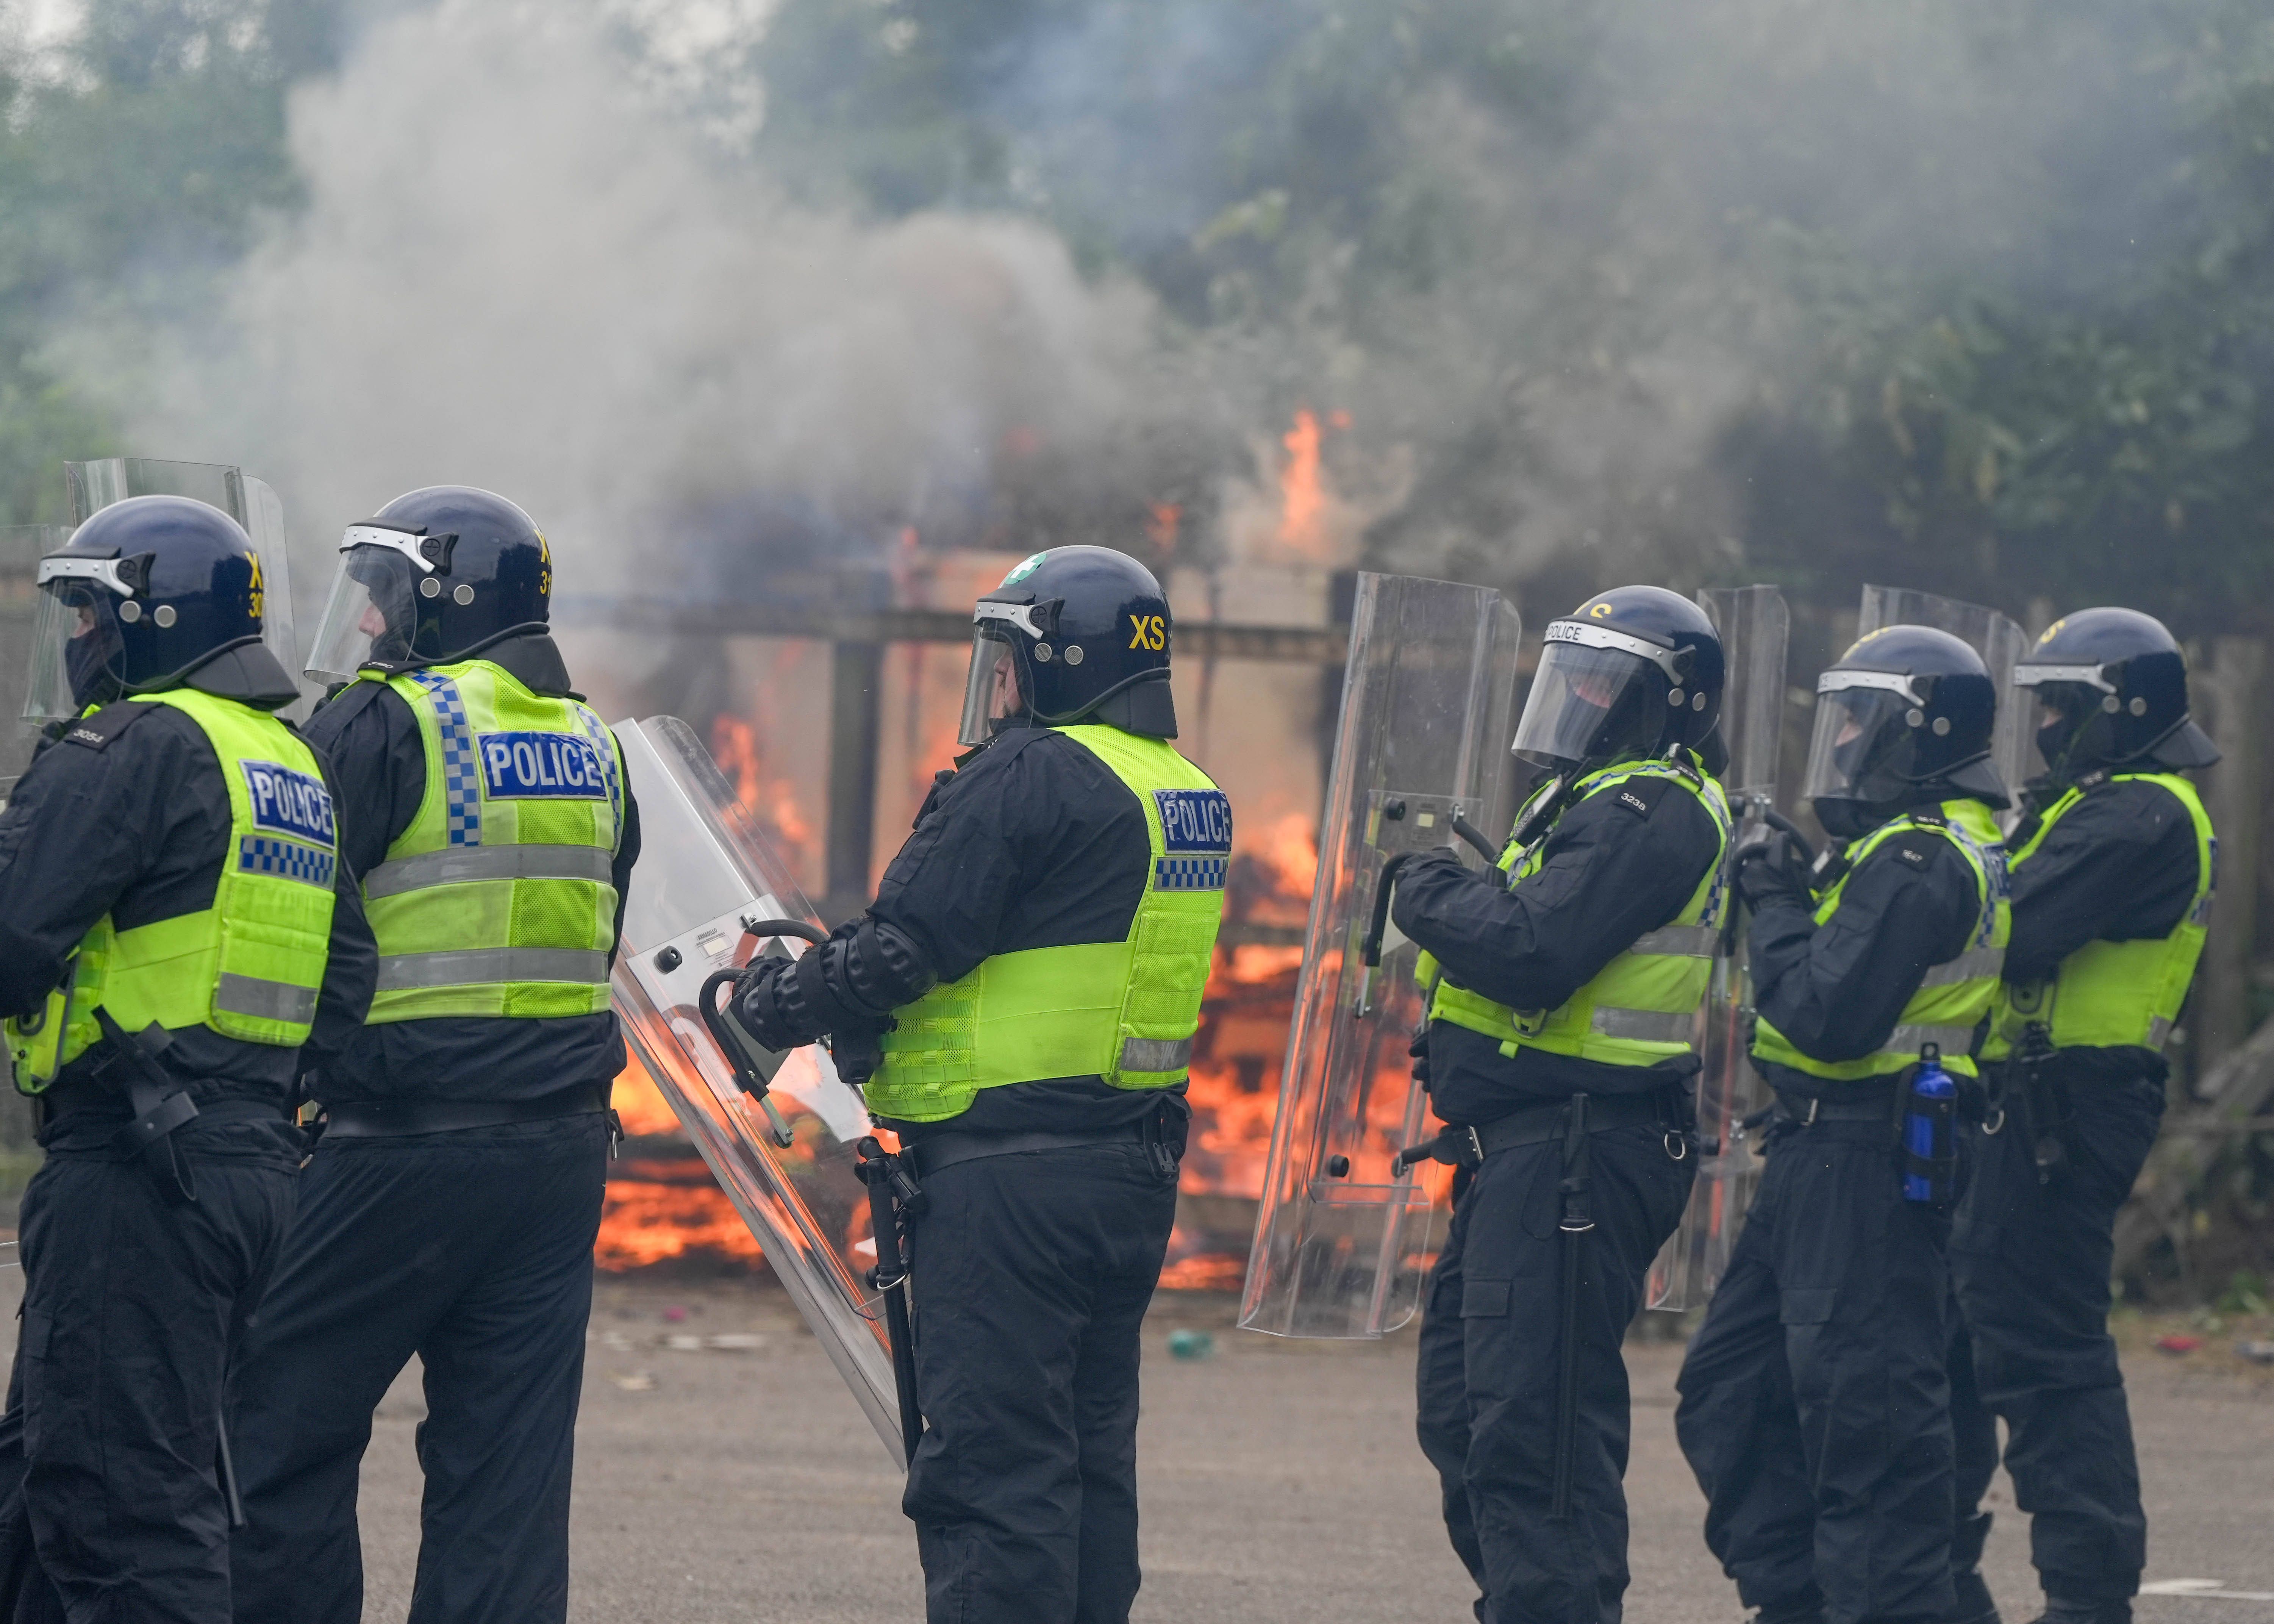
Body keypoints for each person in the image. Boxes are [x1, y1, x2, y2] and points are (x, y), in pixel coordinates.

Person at [724, 545, 1228, 1624]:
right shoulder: (1183, 792)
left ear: (1057, 662)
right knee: (1088, 1469)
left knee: (993, 1477)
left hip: (1005, 1189)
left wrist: (771, 1003)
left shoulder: (1031, 772)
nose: (997, 686)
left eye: (1007, 660)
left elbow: (905, 950)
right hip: (1124, 1171)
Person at [226, 487, 640, 1624]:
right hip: (554, 1163)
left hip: (392, 1149)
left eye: (385, 601)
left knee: (272, 1432)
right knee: (505, 1478)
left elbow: (289, 905)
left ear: (445, 603)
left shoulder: (385, 722)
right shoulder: (595, 747)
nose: (367, 628)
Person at [0, 495, 373, 1621]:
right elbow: (347, 979)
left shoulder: (132, 745)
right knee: (41, 1487)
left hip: (135, 1170)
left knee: (124, 1514)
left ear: (148, 621)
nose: (77, 642)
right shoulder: (288, 760)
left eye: (89, 614)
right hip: (244, 1171)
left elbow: (17, 944)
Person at [1388, 585, 1730, 1624]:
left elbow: (1535, 952)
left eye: (1601, 679)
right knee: (1470, 1420)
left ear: (1664, 700)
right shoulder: (1593, 800)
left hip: (1576, 1158)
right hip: (1524, 1157)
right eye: (1566, 673)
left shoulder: (1651, 807)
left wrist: (1423, 888)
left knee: (1536, 1446)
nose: (1575, 695)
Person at [1674, 625, 2013, 1624]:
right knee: (1730, 1393)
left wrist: (1773, 895)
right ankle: (1803, 1603)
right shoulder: (1897, 848)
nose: (1844, 738)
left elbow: (1827, 1016)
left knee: (1867, 1437)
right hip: (1825, 1152)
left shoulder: (1917, 858)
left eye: (1862, 719)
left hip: (1868, 1158)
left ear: (1922, 734)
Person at [1948, 610, 2219, 1624]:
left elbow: (2008, 932)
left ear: (2125, 710)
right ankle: (1945, 1579)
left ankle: (2086, 1596)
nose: (2047, 724)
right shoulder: (2085, 807)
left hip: (2068, 1107)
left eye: (2064, 705)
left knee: (2042, 1352)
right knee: (1967, 1337)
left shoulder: (2140, 814)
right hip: (2021, 1103)